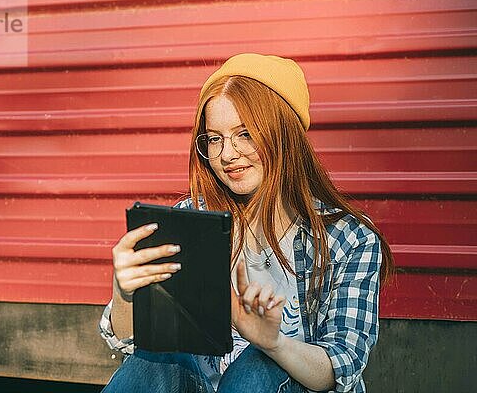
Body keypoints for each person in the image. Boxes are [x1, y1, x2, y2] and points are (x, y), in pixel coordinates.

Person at [98, 53, 394, 393]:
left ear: (284, 135)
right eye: (214, 138)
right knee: (155, 358)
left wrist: (273, 343)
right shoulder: (193, 220)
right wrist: (124, 292)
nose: (227, 154)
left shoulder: (348, 238)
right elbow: (129, 341)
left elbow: (340, 367)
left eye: (245, 134)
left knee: (258, 363)